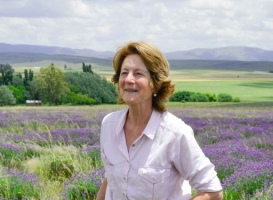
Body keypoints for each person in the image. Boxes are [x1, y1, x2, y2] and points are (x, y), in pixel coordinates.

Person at [96, 41, 223, 200]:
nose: (129, 79)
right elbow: (110, 179)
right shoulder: (109, 125)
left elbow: (213, 192)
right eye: (124, 72)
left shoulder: (175, 133)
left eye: (138, 73)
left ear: (155, 85)